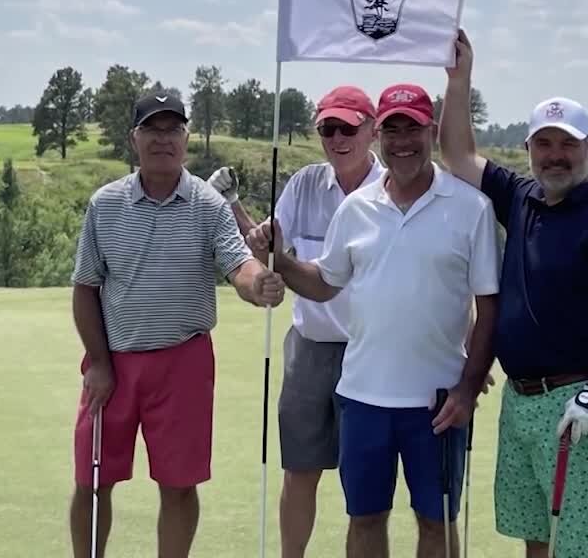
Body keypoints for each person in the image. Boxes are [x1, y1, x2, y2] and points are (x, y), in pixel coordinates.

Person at [249, 82, 500, 558]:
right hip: (362, 396)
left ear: (431, 131)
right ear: (379, 135)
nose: (403, 140)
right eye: (392, 129)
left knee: (435, 523)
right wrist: (278, 259)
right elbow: (325, 282)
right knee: (365, 520)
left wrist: (467, 387)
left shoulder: (472, 208)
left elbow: (489, 307)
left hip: (438, 401)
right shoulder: (355, 209)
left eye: (413, 128)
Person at [435, 29, 588, 558]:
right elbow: (457, 153)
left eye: (568, 144)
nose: (555, 156)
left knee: (576, 546)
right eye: (544, 143)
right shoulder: (523, 197)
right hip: (521, 400)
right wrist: (460, 79)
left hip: (576, 401)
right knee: (536, 536)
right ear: (529, 148)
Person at [67, 91, 286, 558]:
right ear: (135, 139)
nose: (163, 139)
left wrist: (257, 283)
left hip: (183, 363)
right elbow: (85, 288)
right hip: (113, 363)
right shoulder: (104, 205)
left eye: (173, 129)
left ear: (185, 138)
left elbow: (237, 263)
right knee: (91, 480)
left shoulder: (208, 205)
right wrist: (100, 363)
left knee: (179, 485)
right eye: (152, 129)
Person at [207, 85, 385, 558]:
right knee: (299, 472)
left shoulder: (391, 190)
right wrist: (240, 213)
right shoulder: (305, 183)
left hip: (371, 355)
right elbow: (269, 249)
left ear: (371, 130)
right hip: (308, 349)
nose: (337, 137)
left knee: (362, 485)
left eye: (348, 127)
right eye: (328, 127)